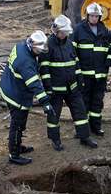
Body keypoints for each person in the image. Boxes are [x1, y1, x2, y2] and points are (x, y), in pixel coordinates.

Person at [39, 15, 98, 151]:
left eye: (66, 32)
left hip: (72, 87)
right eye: (63, 32)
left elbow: (75, 63)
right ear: (56, 31)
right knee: (54, 116)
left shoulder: (69, 44)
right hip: (56, 89)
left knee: (80, 112)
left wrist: (80, 81)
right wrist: (48, 88)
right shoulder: (47, 46)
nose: (65, 34)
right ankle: (55, 140)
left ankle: (84, 137)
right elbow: (44, 69)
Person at [0, 30, 54, 165]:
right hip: (16, 96)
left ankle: (18, 146)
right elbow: (34, 84)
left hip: (9, 87)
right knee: (17, 125)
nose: (40, 53)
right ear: (33, 46)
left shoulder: (21, 46)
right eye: (39, 51)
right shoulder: (26, 62)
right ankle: (14, 154)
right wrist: (46, 102)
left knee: (20, 124)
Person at [71, 2, 111, 136]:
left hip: (100, 74)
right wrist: (77, 71)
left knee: (97, 102)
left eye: (97, 16)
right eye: (92, 16)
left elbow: (110, 47)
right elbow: (72, 51)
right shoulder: (78, 30)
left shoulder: (104, 30)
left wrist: (108, 60)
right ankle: (83, 130)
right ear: (87, 16)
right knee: (83, 103)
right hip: (84, 75)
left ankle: (96, 127)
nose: (94, 18)